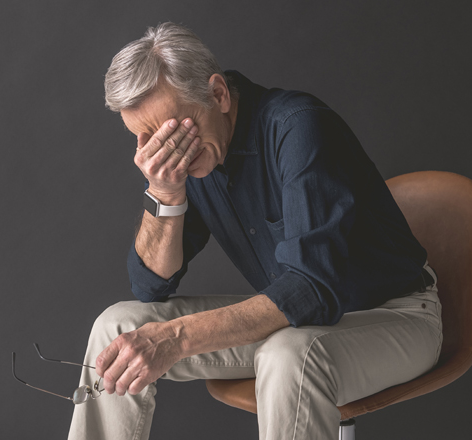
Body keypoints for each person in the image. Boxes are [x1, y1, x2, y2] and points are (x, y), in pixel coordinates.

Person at [68, 22, 442, 440]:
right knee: (116, 328)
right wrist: (162, 192)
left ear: (218, 94)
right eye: (146, 139)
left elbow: (312, 290)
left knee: (288, 357)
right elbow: (149, 286)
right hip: (295, 320)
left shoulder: (297, 127)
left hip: (394, 316)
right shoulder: (192, 160)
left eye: (173, 131)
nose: (166, 152)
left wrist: (176, 338)